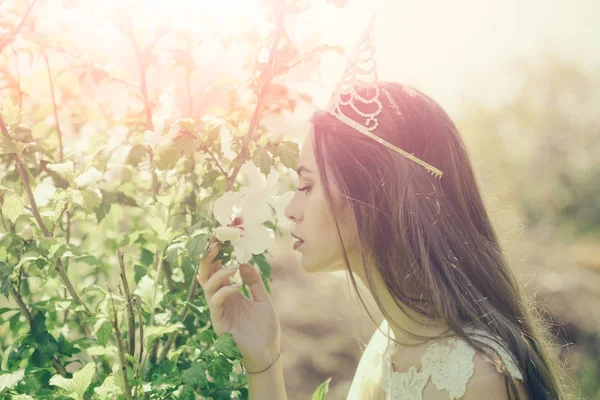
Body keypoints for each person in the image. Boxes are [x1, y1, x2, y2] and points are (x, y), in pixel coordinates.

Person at [196, 17, 568, 400]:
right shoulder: (391, 343)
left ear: (373, 197)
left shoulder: (474, 377)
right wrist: (263, 358)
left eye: (307, 185)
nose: (291, 209)